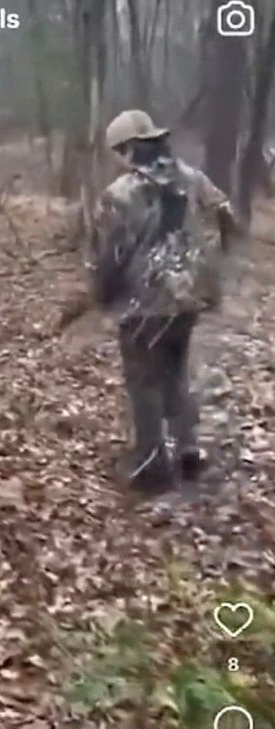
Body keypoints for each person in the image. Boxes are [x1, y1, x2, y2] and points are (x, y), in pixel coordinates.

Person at [90, 109, 240, 493]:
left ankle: (152, 468)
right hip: (187, 298)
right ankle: (188, 449)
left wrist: (103, 294)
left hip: (143, 305)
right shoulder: (193, 179)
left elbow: (110, 254)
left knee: (143, 382)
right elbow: (228, 217)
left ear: (127, 149)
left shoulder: (119, 194)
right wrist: (211, 265)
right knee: (175, 373)